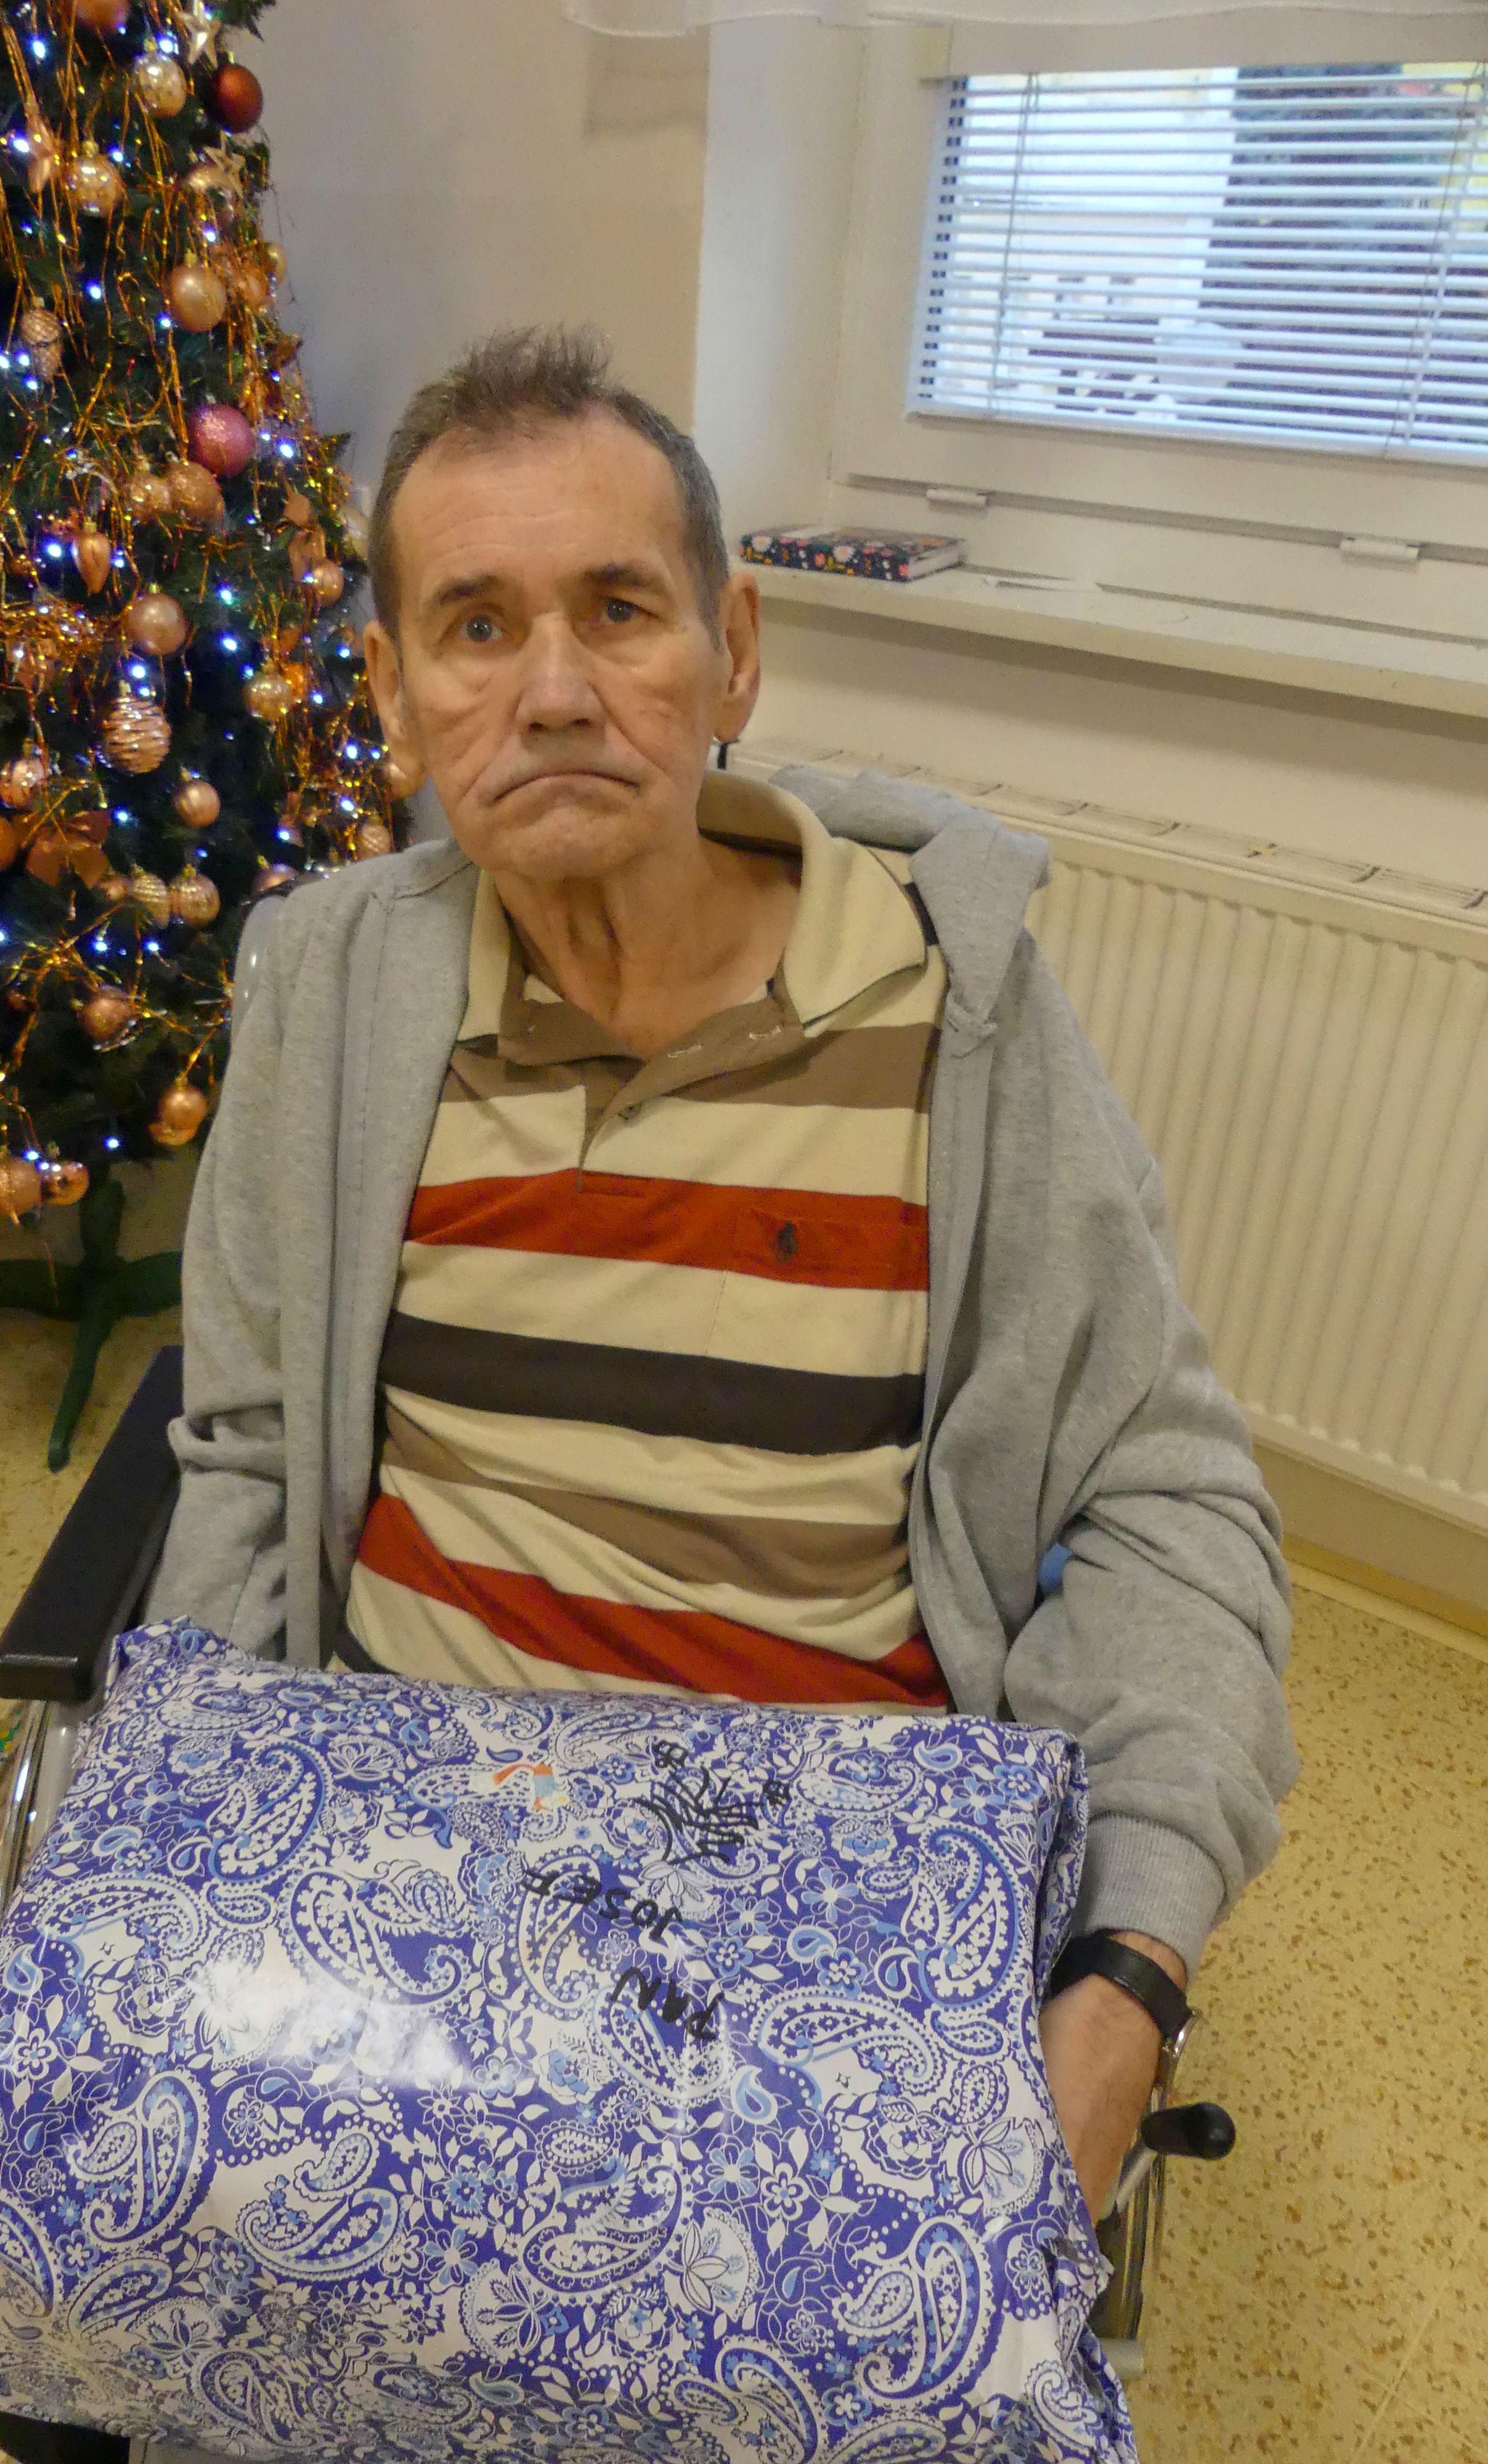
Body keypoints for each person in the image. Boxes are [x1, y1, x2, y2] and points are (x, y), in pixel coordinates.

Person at [147, 326, 1299, 2223]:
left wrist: (1130, 1969)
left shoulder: (955, 1012)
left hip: (821, 1899)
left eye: (618, 611)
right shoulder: (330, 991)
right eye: (476, 628)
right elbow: (252, 1455)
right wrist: (187, 1830)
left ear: (734, 651)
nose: (554, 693)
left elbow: (1162, 1494)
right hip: (410, 1860)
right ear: (396, 694)